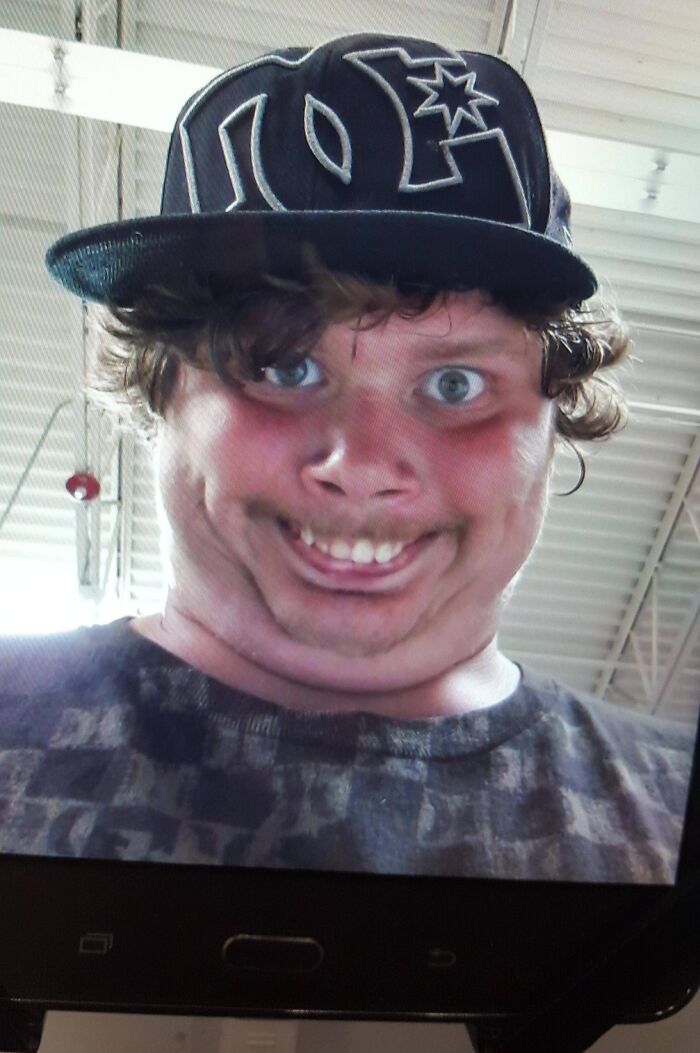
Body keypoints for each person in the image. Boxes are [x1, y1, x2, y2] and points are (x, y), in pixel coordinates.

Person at [0, 33, 694, 880]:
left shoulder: (672, 811)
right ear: (159, 390)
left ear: (554, 419)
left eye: (454, 385)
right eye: (284, 366)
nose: (361, 462)